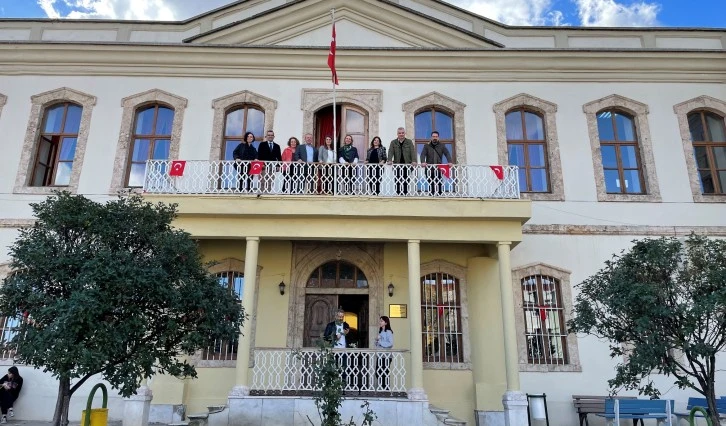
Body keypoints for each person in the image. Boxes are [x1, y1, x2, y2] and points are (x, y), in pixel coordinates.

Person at [419, 130, 453, 195]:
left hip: (439, 168)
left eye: (436, 136)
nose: (435, 138)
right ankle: (431, 197)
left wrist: (450, 161)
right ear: (431, 137)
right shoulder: (426, 146)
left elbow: (447, 153)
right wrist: (423, 162)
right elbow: (423, 154)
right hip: (429, 169)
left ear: (438, 137)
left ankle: (440, 197)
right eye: (433, 136)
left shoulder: (442, 146)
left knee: (439, 183)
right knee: (431, 184)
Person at [387, 127, 417, 195]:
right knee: (397, 181)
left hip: (407, 165)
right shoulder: (393, 142)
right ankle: (398, 194)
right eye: (399, 133)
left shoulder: (409, 142)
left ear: (405, 133)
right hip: (397, 165)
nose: (401, 134)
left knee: (406, 181)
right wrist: (389, 160)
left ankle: (405, 194)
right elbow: (390, 151)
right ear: (397, 134)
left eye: (402, 133)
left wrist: (414, 160)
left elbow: (412, 151)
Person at [375, 316, 394, 391]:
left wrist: (380, 342)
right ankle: (383, 387)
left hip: (386, 356)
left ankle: (386, 389)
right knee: (378, 372)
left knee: (385, 373)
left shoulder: (388, 332)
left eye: (382, 321)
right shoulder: (380, 332)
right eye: (380, 321)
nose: (380, 322)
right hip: (380, 355)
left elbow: (390, 343)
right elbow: (378, 344)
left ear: (386, 323)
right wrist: (376, 341)